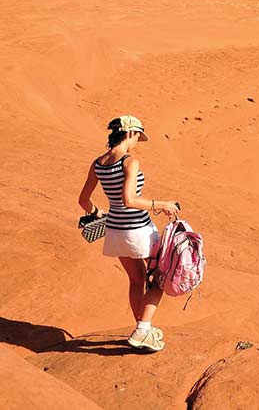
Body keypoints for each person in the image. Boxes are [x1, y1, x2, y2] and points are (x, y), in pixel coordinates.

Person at [77, 115, 179, 352]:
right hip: (138, 229)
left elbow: (83, 200)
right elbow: (129, 200)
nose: (137, 143)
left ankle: (142, 330)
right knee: (162, 277)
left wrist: (97, 212)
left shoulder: (98, 163)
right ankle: (143, 329)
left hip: (114, 231)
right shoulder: (129, 162)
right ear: (130, 134)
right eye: (137, 138)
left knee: (136, 280)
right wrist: (161, 204)